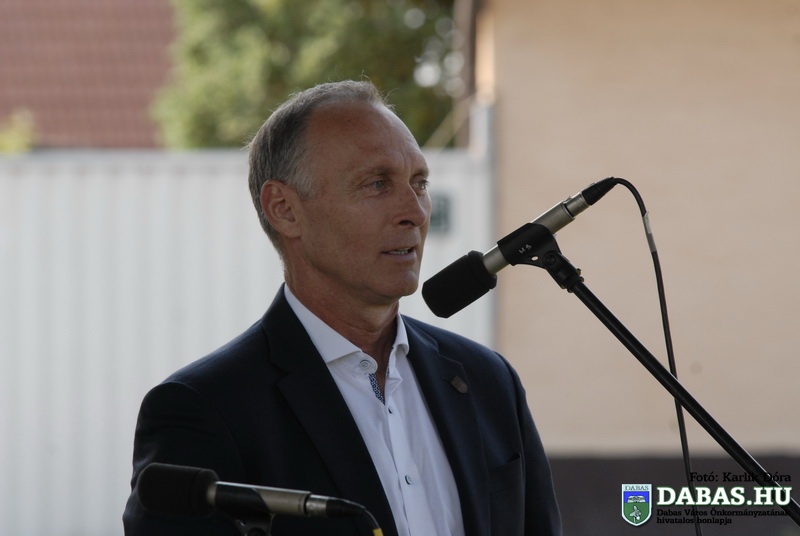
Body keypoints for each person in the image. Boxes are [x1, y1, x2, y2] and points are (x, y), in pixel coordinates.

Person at [123, 80, 561, 536]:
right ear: (284, 209)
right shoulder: (204, 410)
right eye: (377, 184)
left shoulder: (488, 381)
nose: (414, 212)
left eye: (420, 183)